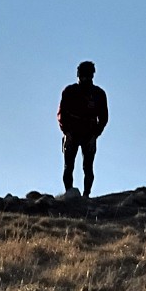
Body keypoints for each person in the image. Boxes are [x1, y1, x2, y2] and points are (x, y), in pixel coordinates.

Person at [58, 60, 109, 197]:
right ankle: (69, 193)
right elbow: (62, 113)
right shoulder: (69, 91)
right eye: (82, 76)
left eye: (87, 76)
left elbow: (103, 118)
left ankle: (86, 195)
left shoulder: (98, 94)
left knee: (88, 167)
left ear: (92, 76)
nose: (84, 79)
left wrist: (95, 135)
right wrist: (66, 133)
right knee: (68, 167)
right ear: (78, 75)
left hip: (89, 134)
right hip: (72, 132)